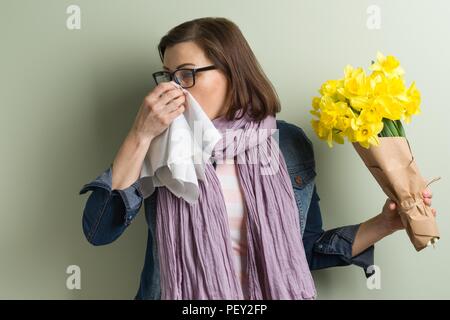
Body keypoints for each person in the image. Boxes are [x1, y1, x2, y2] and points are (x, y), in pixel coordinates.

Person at [79, 17, 436, 300]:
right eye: (168, 77)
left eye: (187, 74)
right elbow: (98, 231)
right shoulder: (162, 146)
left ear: (232, 72)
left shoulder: (286, 144)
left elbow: (305, 249)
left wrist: (386, 223)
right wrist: (139, 135)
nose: (174, 88)